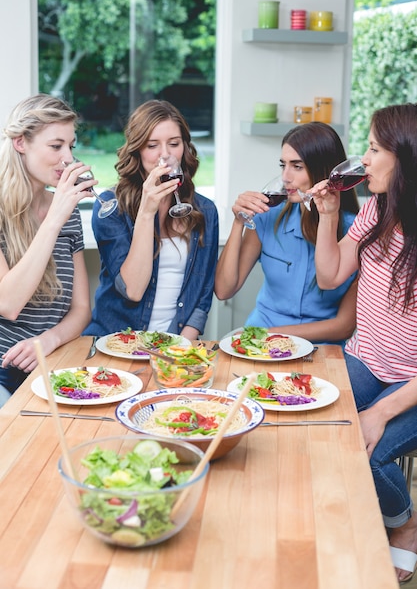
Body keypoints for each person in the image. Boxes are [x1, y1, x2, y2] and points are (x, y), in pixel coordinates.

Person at [311, 103, 417, 584]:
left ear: (406, 158)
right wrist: (329, 214)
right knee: (313, 423)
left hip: (412, 383)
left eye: (374, 149)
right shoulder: (376, 207)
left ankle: (405, 525)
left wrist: (381, 411)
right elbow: (330, 275)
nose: (364, 160)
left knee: (364, 449)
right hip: (366, 360)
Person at [84, 100, 219, 341]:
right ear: (137, 150)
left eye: (174, 144)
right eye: (152, 145)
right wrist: (147, 212)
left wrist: (181, 346)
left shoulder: (205, 210)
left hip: (175, 343)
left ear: (185, 148)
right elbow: (133, 291)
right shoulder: (110, 207)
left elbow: (204, 294)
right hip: (116, 342)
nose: (165, 154)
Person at [215, 122, 359, 344]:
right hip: (259, 341)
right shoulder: (267, 217)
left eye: (297, 166)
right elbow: (224, 290)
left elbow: (344, 326)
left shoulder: (356, 232)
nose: (285, 176)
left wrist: (272, 334)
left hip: (319, 347)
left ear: (324, 171)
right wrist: (238, 222)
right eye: (283, 165)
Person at [0, 93, 94, 407]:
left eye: (71, 146)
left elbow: (81, 309)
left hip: (51, 361)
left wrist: (47, 341)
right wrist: (54, 218)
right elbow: (8, 303)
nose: (68, 158)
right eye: (56, 146)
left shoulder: (67, 211)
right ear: (20, 143)